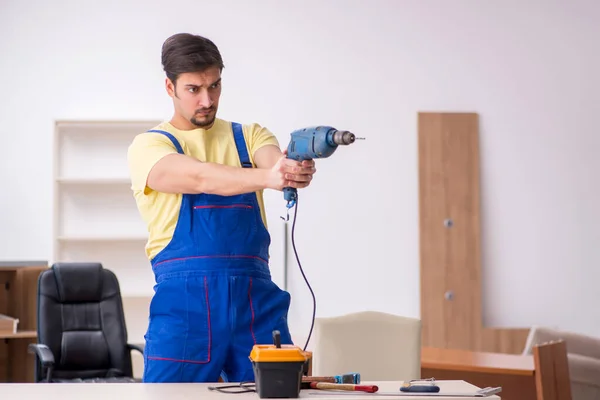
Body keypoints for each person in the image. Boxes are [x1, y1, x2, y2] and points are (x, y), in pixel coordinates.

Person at [127, 33, 317, 383]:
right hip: (186, 310)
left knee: (279, 392)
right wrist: (269, 177)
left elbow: (274, 163)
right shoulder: (150, 146)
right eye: (194, 89)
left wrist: (290, 171)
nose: (207, 99)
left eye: (214, 86)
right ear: (170, 88)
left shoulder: (250, 135)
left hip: (256, 305)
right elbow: (199, 178)